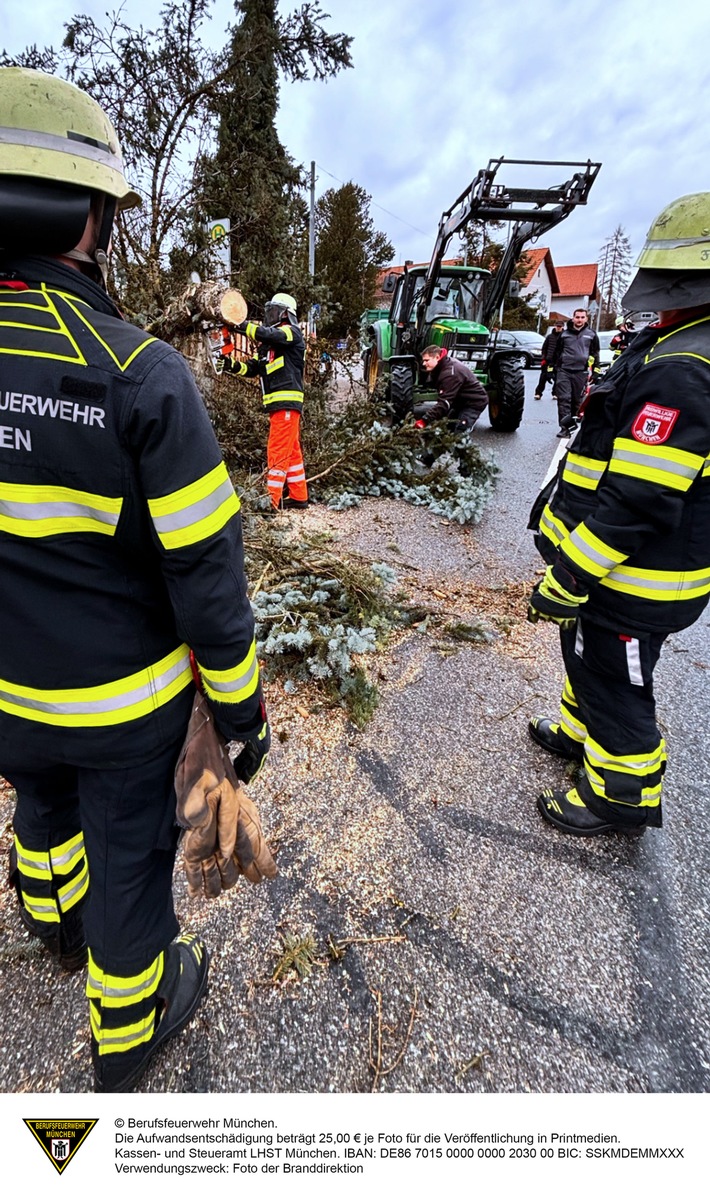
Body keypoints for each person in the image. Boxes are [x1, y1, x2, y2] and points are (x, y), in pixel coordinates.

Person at [0, 67, 269, 1092]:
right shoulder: (138, 373)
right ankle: (128, 1025)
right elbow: (206, 568)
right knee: (125, 857)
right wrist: (237, 709)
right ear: (90, 218)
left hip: (7, 694)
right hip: (121, 709)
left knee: (37, 803)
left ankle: (54, 925)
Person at [526, 191, 710, 838]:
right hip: (616, 568)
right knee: (588, 654)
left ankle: (620, 793)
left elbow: (639, 497)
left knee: (615, 673)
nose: (660, 292)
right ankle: (581, 733)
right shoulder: (676, 341)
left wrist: (571, 574)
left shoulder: (686, 367)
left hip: (632, 576)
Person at [220, 294, 308, 510]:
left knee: (277, 451)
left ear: (286, 313)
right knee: (292, 451)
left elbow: (267, 333)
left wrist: (239, 325)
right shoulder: (268, 347)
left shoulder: (290, 333)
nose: (269, 316)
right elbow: (252, 368)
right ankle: (299, 496)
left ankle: (271, 502)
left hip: (287, 403)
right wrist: (229, 365)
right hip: (278, 406)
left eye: (274, 311)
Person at [415, 344, 489, 467]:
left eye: (427, 360)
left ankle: (467, 470)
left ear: (437, 357)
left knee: (460, 434)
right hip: (459, 402)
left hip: (473, 403)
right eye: (423, 361)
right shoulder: (440, 368)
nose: (424, 363)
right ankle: (428, 458)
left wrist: (425, 420)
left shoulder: (450, 373)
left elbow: (444, 403)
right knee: (445, 429)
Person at [551, 308, 600, 437]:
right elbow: (556, 353)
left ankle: (574, 423)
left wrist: (595, 371)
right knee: (564, 399)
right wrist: (551, 370)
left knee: (576, 400)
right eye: (577, 317)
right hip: (564, 371)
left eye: (582, 317)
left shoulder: (592, 335)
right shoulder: (564, 335)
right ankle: (564, 428)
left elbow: (595, 353)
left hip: (581, 372)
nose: (579, 320)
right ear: (573, 318)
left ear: (586, 319)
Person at [534, 320, 564, 400]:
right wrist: (543, 358)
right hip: (548, 361)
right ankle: (538, 393)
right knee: (543, 377)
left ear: (562, 327)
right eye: (557, 326)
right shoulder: (550, 337)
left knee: (558, 379)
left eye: (560, 326)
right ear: (555, 326)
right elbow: (544, 348)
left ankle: (555, 393)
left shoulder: (564, 337)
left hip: (558, 362)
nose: (558, 328)